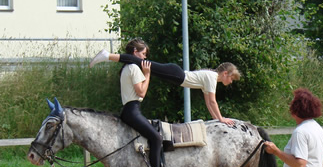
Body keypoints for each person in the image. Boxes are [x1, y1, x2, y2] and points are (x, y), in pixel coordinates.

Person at [89, 44, 241, 126]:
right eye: (232, 78)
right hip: (176, 74)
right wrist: (221, 119)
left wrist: (216, 119)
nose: (231, 82)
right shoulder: (212, 77)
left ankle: (107, 56)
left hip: (176, 76)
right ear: (225, 73)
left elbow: (208, 102)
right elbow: (213, 101)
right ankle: (107, 55)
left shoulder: (211, 78)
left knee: (142, 63)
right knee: (142, 63)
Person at [118, 38, 174, 167]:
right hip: (132, 110)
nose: (144, 58)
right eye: (143, 54)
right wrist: (147, 74)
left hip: (131, 109)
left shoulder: (126, 68)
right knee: (156, 138)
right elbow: (141, 92)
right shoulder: (134, 69)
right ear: (135, 53)